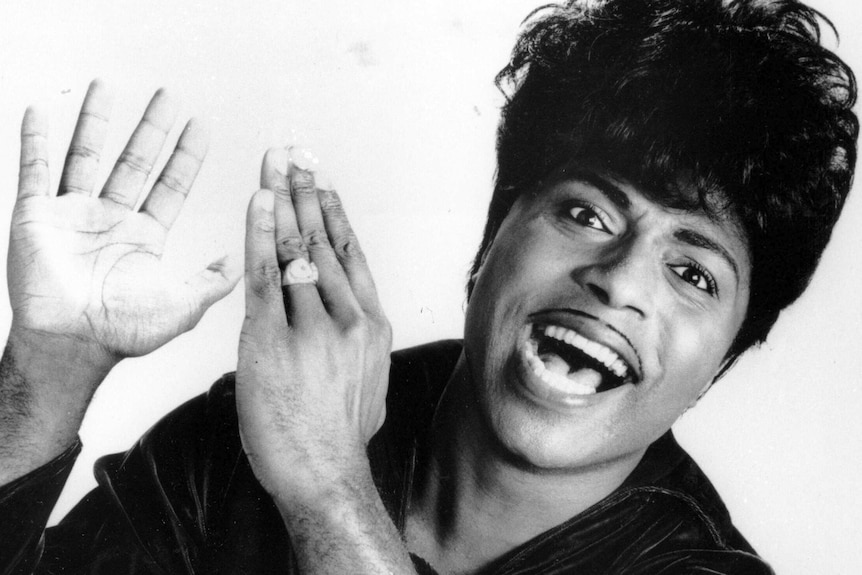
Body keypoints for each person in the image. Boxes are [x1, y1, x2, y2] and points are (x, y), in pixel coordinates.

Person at [0, 0, 856, 573]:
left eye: (692, 271)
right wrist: (48, 371)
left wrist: (330, 492)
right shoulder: (272, 425)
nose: (619, 281)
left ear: (726, 357)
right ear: (493, 236)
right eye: (589, 213)